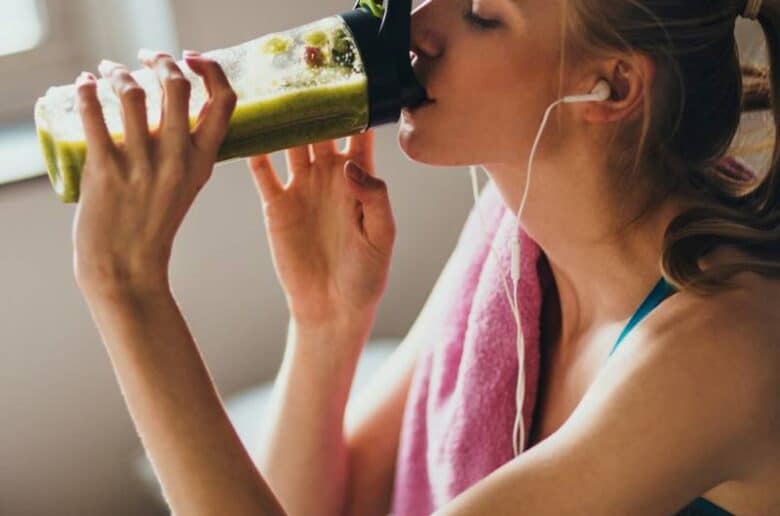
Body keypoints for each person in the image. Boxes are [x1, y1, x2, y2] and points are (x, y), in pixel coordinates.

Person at [71, 0, 779, 514]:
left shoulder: (718, 351)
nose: (414, 31)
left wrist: (127, 289)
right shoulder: (517, 244)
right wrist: (325, 323)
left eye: (480, 13)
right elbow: (320, 504)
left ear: (614, 86)